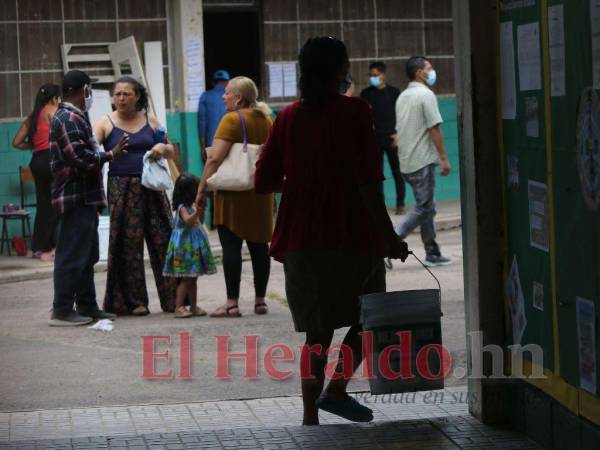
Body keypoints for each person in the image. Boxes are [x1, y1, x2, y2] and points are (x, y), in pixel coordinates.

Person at [255, 37, 409, 425]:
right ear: (342, 70)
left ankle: (310, 418)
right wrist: (389, 238)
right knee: (369, 319)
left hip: (302, 238)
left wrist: (305, 183)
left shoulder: (287, 117)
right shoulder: (355, 111)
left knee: (316, 335)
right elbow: (368, 183)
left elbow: (264, 179)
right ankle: (337, 389)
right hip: (352, 234)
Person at [93, 76, 177, 315]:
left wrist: (162, 148)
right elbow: (90, 148)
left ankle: (174, 299)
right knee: (127, 246)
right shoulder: (105, 122)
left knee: (164, 239)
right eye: (117, 94)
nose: (120, 98)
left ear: (137, 96)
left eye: (126, 94)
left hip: (152, 187)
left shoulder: (150, 122)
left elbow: (171, 150)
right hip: (121, 188)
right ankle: (135, 302)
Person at [49, 70, 126, 326]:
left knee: (87, 254)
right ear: (83, 89)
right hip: (74, 197)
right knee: (71, 255)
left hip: (86, 197)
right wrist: (110, 155)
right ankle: (61, 309)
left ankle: (87, 305)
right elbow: (80, 158)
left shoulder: (77, 116)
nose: (91, 93)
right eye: (90, 88)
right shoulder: (67, 118)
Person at [195, 76, 274, 318]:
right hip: (260, 194)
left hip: (232, 195)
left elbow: (214, 159)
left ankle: (232, 303)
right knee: (260, 248)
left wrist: (201, 190)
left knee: (231, 248)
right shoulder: (266, 120)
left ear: (238, 97)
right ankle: (261, 301)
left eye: (227, 92)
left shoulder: (231, 120)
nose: (223, 96)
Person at [394, 56, 452, 267]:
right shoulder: (426, 95)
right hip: (422, 161)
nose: (432, 71)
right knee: (425, 208)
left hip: (407, 161)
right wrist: (444, 158)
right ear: (420, 72)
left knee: (427, 205)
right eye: (429, 68)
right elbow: (434, 128)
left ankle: (433, 252)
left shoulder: (403, 97)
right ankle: (391, 239)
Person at [12, 84, 61, 262]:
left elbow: (16, 142)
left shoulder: (32, 117)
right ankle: (53, 247)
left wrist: (34, 145)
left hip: (37, 161)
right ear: (54, 98)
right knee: (57, 203)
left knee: (43, 204)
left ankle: (39, 248)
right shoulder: (54, 110)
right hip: (52, 160)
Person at [163, 173, 217, 318]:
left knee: (193, 278)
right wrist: (196, 213)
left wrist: (201, 210)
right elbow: (188, 221)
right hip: (185, 248)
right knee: (186, 278)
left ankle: (193, 306)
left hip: (193, 247)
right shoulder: (182, 207)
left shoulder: (192, 206)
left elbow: (201, 221)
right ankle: (179, 307)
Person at [360, 61, 406, 215]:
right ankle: (379, 205)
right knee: (376, 175)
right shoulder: (366, 94)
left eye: (376, 75)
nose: (373, 78)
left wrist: (398, 133)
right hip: (374, 140)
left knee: (396, 172)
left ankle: (401, 204)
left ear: (383, 75)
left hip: (392, 138)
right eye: (371, 75)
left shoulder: (394, 92)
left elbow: (401, 114)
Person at [198, 70, 229, 230]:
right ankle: (227, 220)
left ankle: (215, 222)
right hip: (230, 146)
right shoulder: (232, 96)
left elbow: (202, 123)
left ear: (213, 82)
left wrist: (203, 147)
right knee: (229, 182)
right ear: (226, 82)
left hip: (212, 145)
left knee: (213, 181)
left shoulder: (205, 96)